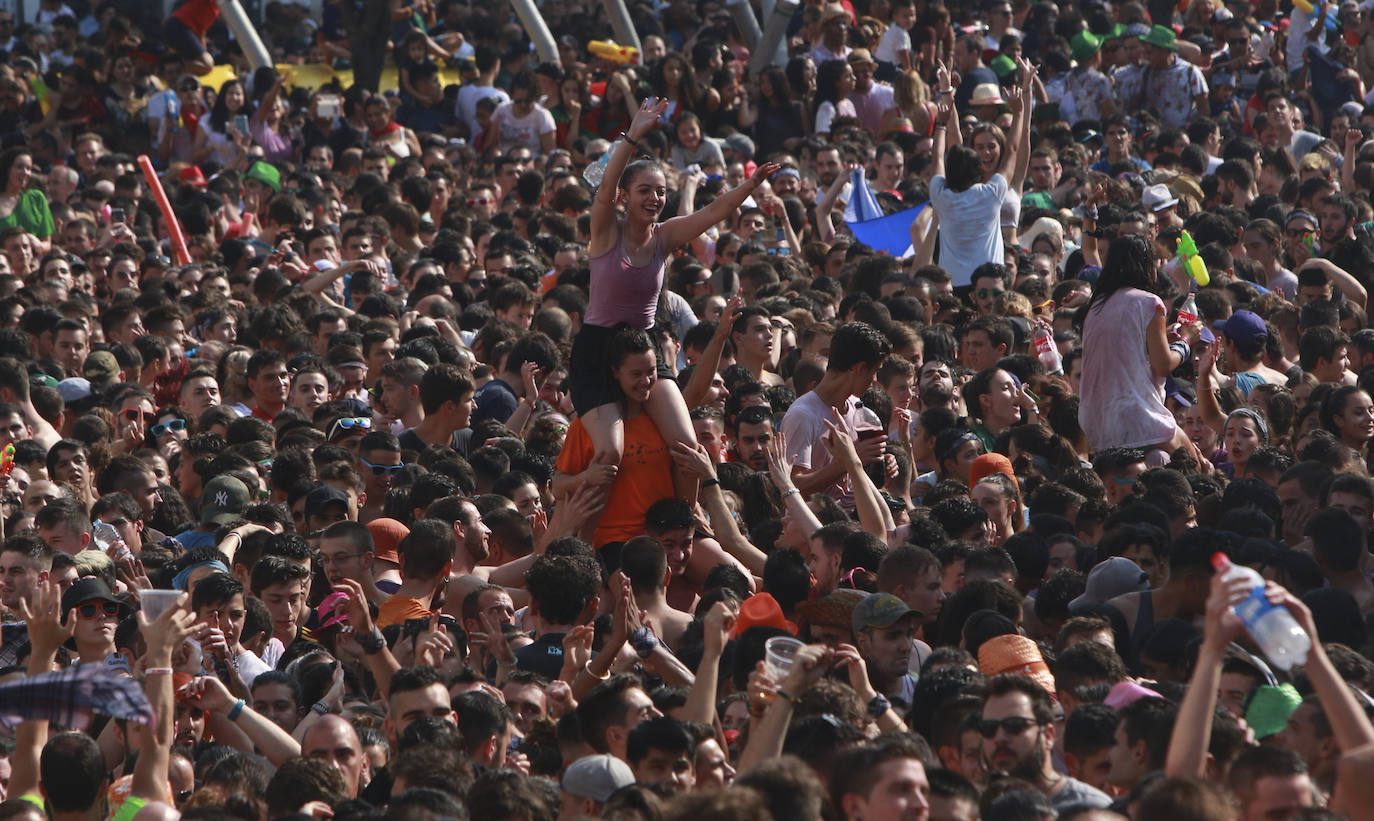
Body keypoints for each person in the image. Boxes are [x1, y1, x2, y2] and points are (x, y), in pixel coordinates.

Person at [573, 96, 780, 503]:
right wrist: (633, 134)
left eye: (661, 192)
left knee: (687, 445)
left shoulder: (664, 236)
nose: (654, 198)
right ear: (625, 197)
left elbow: (713, 213)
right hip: (598, 350)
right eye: (644, 190)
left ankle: (686, 522)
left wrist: (750, 186)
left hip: (645, 348)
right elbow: (604, 189)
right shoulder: (605, 231)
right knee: (610, 453)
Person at [1078, 234, 1196, 462]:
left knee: (1158, 460)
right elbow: (1163, 366)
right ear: (1146, 266)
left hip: (1095, 422)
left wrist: (1165, 336)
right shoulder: (1149, 302)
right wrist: (1186, 342)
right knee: (1194, 461)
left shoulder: (1095, 308)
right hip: (1136, 416)